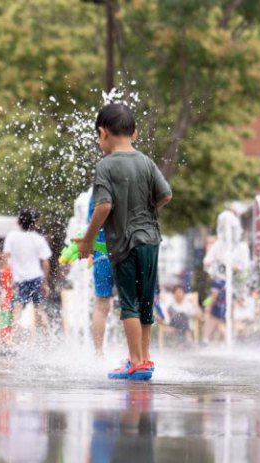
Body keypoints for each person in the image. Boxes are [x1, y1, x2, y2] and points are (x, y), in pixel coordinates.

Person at [76, 103, 172, 380]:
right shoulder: (146, 162)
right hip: (151, 241)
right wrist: (145, 212)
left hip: (125, 244)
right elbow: (166, 195)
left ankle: (136, 363)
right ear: (135, 133)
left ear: (103, 133)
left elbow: (103, 206)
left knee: (129, 303)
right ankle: (145, 358)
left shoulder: (105, 166)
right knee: (145, 302)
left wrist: (87, 242)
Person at [3, 209, 52, 341]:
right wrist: (45, 282)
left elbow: (6, 257)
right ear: (35, 223)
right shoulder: (39, 239)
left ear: (19, 221)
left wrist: (6, 279)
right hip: (36, 277)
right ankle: (49, 338)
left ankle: (10, 340)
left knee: (18, 307)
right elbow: (46, 262)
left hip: (19, 279)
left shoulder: (12, 236)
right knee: (39, 308)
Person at [88, 195, 114, 356]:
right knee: (130, 304)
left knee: (101, 305)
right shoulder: (126, 189)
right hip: (125, 254)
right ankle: (136, 355)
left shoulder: (96, 194)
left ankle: (98, 353)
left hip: (101, 256)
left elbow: (90, 223)